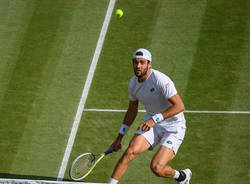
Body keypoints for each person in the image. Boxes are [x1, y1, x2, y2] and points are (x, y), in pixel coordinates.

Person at [108, 48, 192, 184]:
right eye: (135, 62)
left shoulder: (160, 79)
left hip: (174, 127)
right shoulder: (133, 84)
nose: (138, 66)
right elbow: (132, 110)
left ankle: (182, 176)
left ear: (149, 64)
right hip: (153, 124)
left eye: (142, 62)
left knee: (157, 167)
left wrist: (155, 119)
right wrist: (119, 137)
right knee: (130, 151)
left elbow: (180, 106)